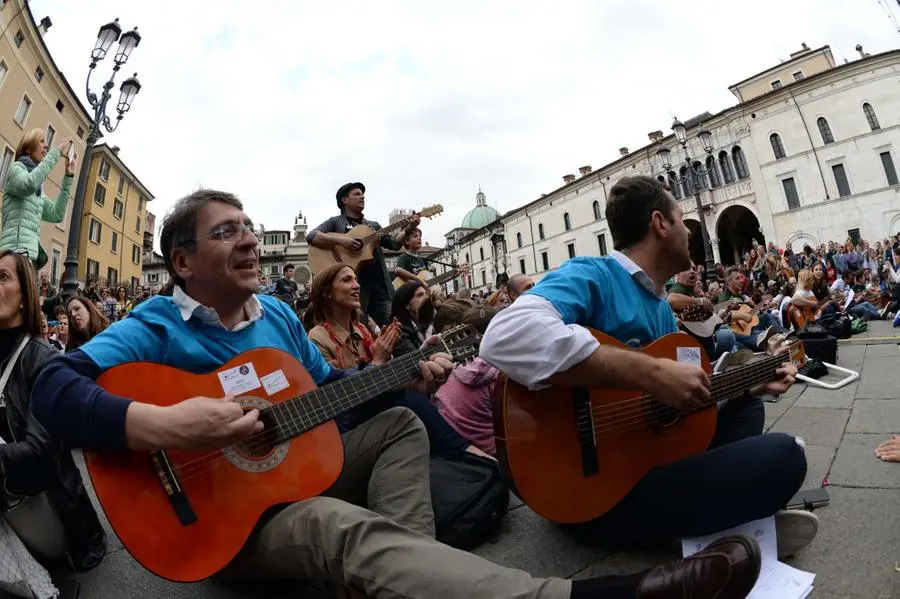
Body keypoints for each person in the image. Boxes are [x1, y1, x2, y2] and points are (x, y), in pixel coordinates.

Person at [31, 188, 762, 599]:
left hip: (286, 475)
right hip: (221, 521)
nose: (251, 240)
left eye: (251, 227)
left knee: (404, 423)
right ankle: (589, 597)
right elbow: (51, 386)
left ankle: (416, 581)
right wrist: (166, 425)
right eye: (228, 232)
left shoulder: (280, 317)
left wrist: (397, 374)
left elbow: (323, 395)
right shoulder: (157, 323)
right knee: (333, 526)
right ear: (184, 261)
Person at [480, 176, 816, 558]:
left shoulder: (661, 309)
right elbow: (504, 335)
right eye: (681, 218)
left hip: (644, 466)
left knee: (749, 410)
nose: (689, 232)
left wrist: (742, 386)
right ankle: (720, 528)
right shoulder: (592, 275)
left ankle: (712, 528)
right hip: (589, 492)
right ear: (660, 223)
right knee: (786, 455)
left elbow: (673, 408)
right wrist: (652, 374)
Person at [0, 250, 106, 572]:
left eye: (2, 277)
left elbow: (41, 454)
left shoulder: (44, 359)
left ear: (24, 296)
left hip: (47, 512)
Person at [307, 182, 419, 327]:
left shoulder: (373, 226)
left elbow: (394, 244)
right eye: (357, 194)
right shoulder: (335, 223)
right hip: (354, 287)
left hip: (380, 286)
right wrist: (342, 240)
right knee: (359, 329)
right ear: (344, 200)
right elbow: (312, 236)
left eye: (363, 194)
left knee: (395, 328)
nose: (362, 197)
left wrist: (409, 228)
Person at [0, 131, 76, 270]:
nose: (46, 146)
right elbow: (28, 184)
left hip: (30, 258)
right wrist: (56, 152)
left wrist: (68, 177)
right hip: (14, 253)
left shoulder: (38, 189)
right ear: (28, 148)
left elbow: (57, 214)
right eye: (42, 141)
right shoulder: (16, 169)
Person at [391, 281, 435, 357]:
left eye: (426, 294)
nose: (426, 298)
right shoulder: (399, 332)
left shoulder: (432, 321)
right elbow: (413, 361)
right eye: (420, 295)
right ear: (407, 305)